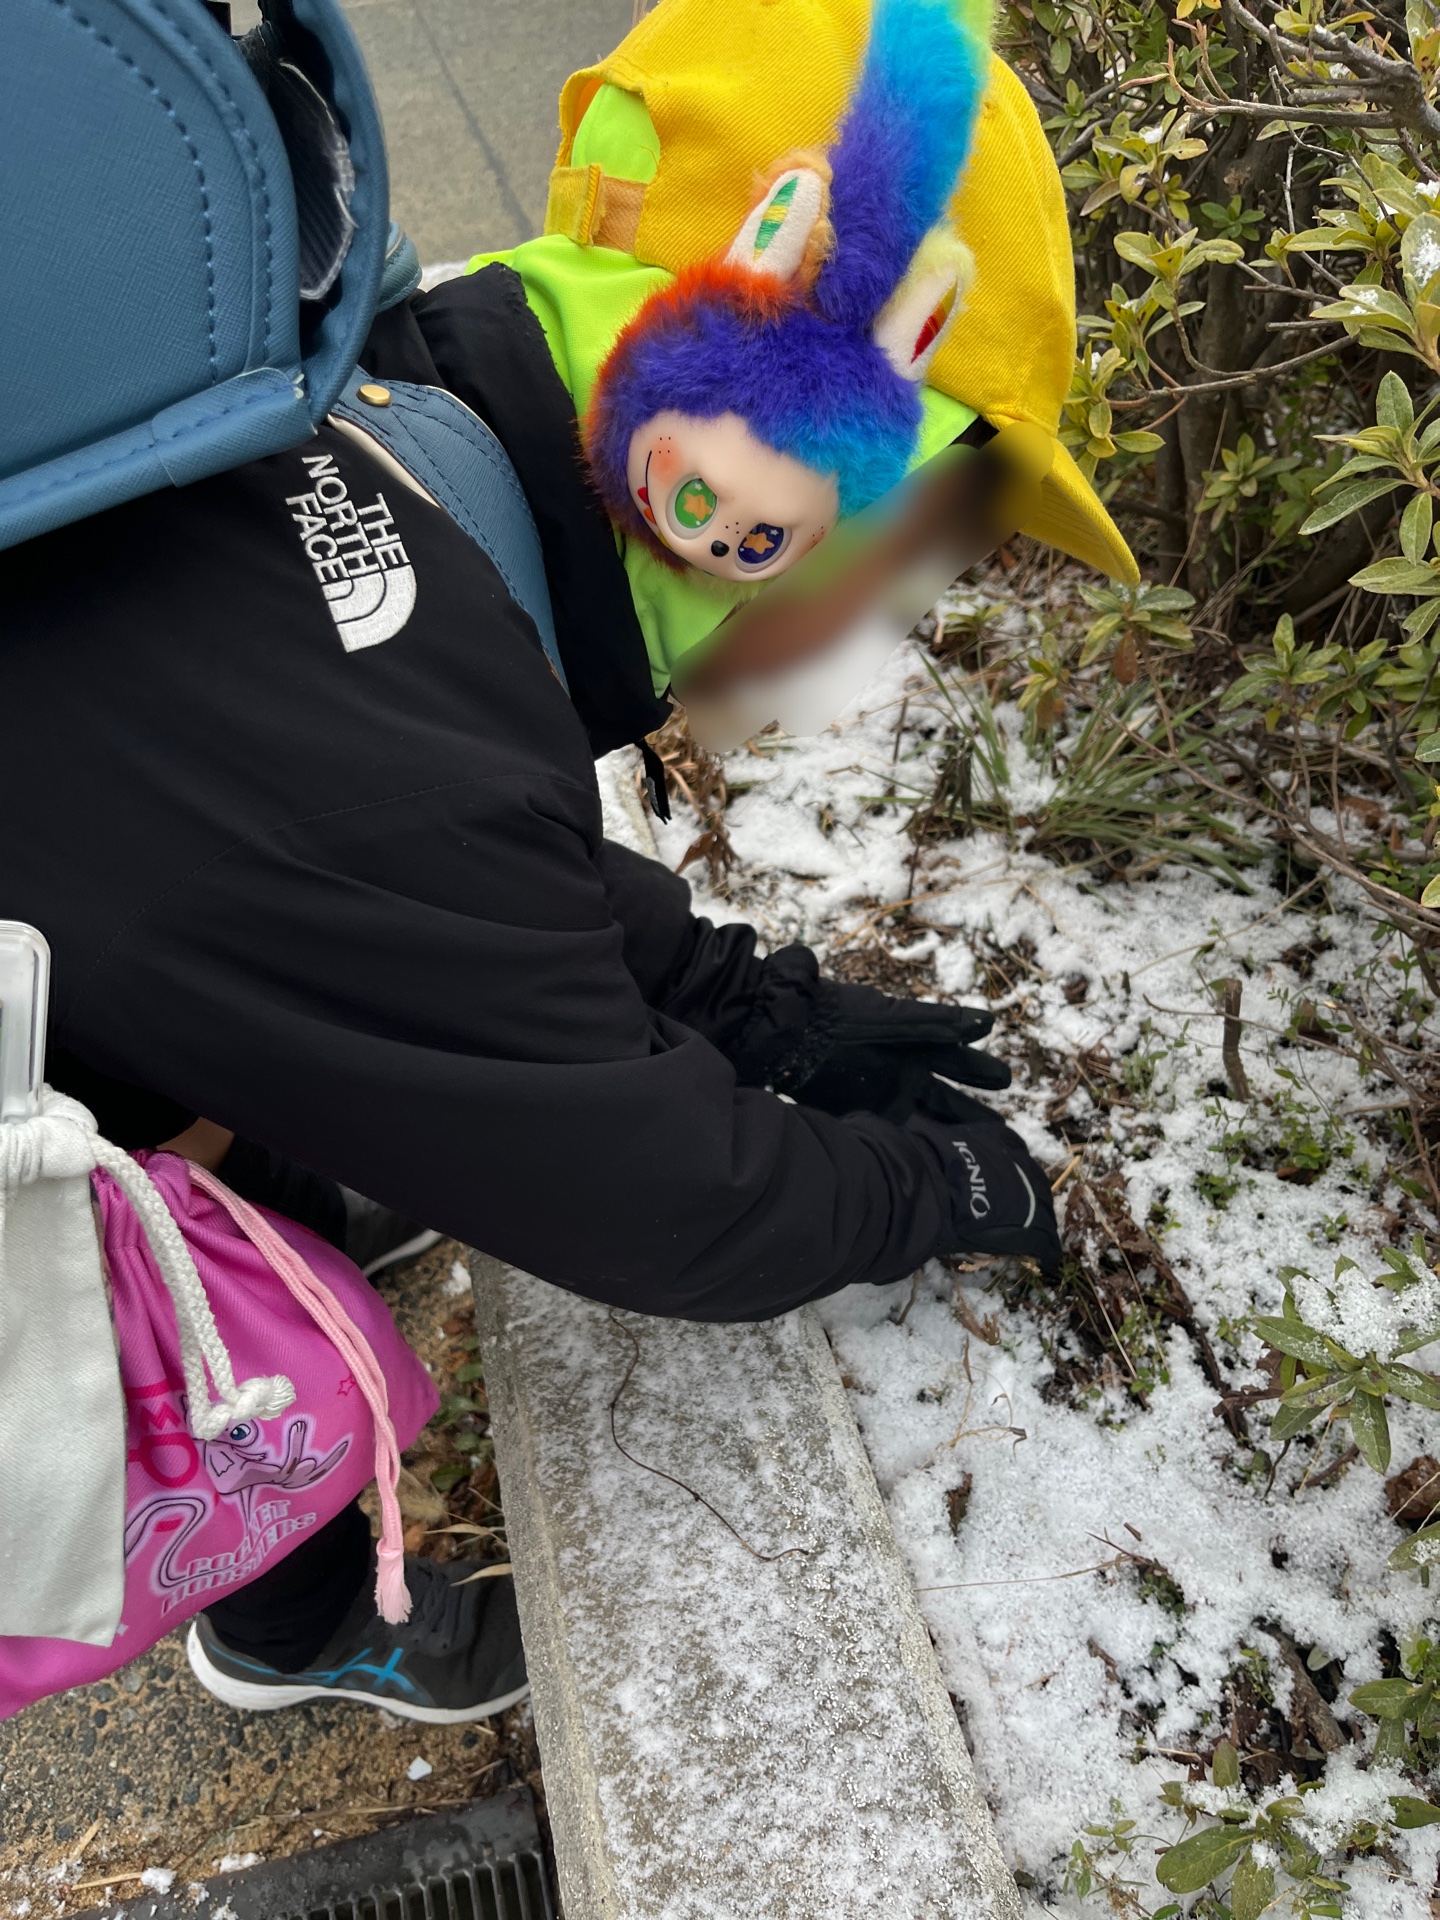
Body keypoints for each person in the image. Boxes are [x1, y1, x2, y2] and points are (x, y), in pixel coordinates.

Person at [1, 0, 1126, 1719]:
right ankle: (294, 1616)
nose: (875, 609)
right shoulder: (401, 742)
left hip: (117, 923)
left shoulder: (315, 414)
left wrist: (753, 1009)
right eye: (903, 517)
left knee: (281, 1028)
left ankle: (301, 1234)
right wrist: (941, 1194)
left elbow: (385, 863)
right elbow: (667, 1203)